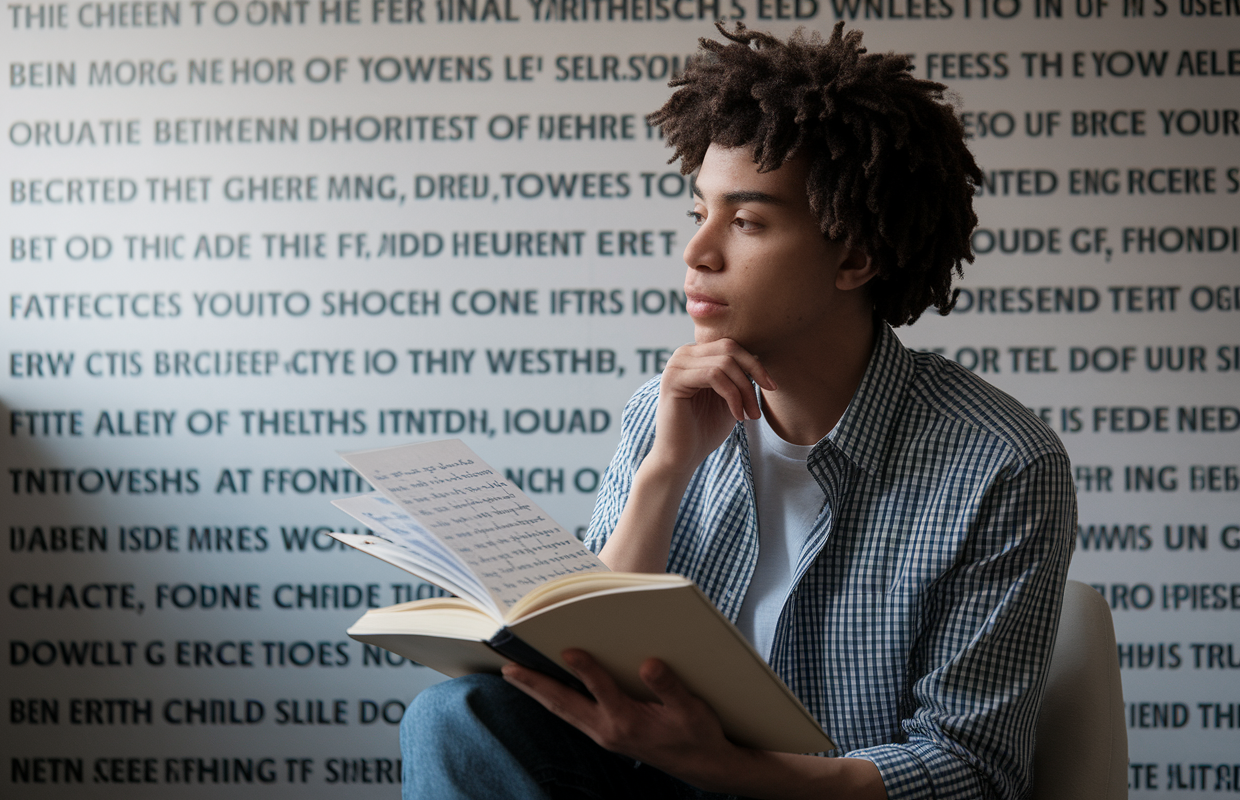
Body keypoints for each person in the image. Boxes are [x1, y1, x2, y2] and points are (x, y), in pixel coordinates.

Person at [402, 21, 1077, 800]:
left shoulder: (1002, 463)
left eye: (747, 221)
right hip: (646, 782)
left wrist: (724, 768)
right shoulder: (661, 412)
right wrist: (664, 469)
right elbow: (579, 668)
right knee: (455, 716)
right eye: (700, 214)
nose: (699, 252)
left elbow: (970, 769)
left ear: (855, 256)